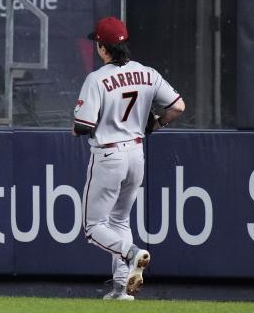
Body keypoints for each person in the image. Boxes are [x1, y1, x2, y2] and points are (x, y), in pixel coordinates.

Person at [73, 16, 186, 300]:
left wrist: (77, 128)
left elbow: (82, 126)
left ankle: (131, 252)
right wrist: (156, 124)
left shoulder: (96, 78)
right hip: (137, 152)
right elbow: (177, 107)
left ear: (102, 47)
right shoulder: (147, 73)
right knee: (120, 221)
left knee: (93, 228)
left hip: (109, 153)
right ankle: (121, 289)